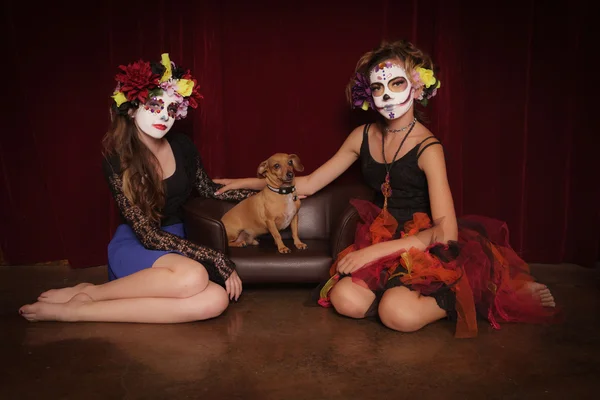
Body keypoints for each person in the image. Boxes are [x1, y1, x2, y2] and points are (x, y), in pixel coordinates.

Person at [214, 40, 558, 337]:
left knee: (398, 316)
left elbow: (447, 231)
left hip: (425, 243)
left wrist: (370, 255)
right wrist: (243, 182)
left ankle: (477, 293)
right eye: (378, 88)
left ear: (417, 87)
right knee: (345, 301)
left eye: (396, 83)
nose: (387, 95)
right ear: (369, 93)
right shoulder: (362, 136)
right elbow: (306, 183)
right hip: (381, 235)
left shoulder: (428, 148)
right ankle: (393, 293)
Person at [19, 53, 256, 323]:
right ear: (132, 109)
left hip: (177, 246)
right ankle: (84, 303)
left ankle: (85, 302)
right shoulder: (117, 159)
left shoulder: (183, 146)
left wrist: (266, 193)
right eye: (155, 105)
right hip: (137, 244)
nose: (164, 116)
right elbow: (148, 235)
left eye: (171, 109)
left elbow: (209, 189)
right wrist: (215, 258)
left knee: (215, 300)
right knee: (195, 276)